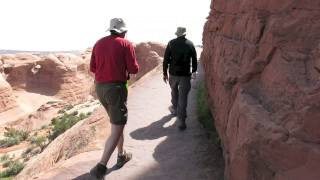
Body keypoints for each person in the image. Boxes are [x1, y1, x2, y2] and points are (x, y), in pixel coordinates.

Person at [89, 18, 139, 179]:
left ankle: (121, 154)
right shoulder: (126, 44)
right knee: (118, 124)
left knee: (116, 124)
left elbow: (93, 68)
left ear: (110, 30)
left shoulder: (98, 43)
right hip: (115, 88)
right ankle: (101, 167)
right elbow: (133, 68)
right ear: (123, 31)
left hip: (100, 88)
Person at [163, 27, 197, 131]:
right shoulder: (190, 44)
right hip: (185, 75)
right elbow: (194, 59)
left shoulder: (171, 43)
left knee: (174, 91)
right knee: (183, 98)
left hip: (173, 74)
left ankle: (174, 108)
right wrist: (194, 71)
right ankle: (181, 121)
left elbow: (166, 59)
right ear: (185, 34)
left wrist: (165, 73)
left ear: (177, 34)